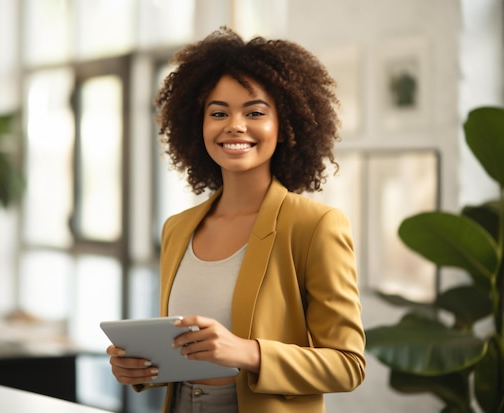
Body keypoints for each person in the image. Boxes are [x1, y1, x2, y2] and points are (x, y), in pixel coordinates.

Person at [107, 26, 366, 413]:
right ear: (199, 125)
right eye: (219, 113)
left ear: (285, 126)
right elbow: (180, 351)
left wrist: (249, 353)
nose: (235, 125)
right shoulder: (178, 229)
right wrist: (140, 370)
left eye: (255, 112)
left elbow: (348, 365)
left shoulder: (315, 226)